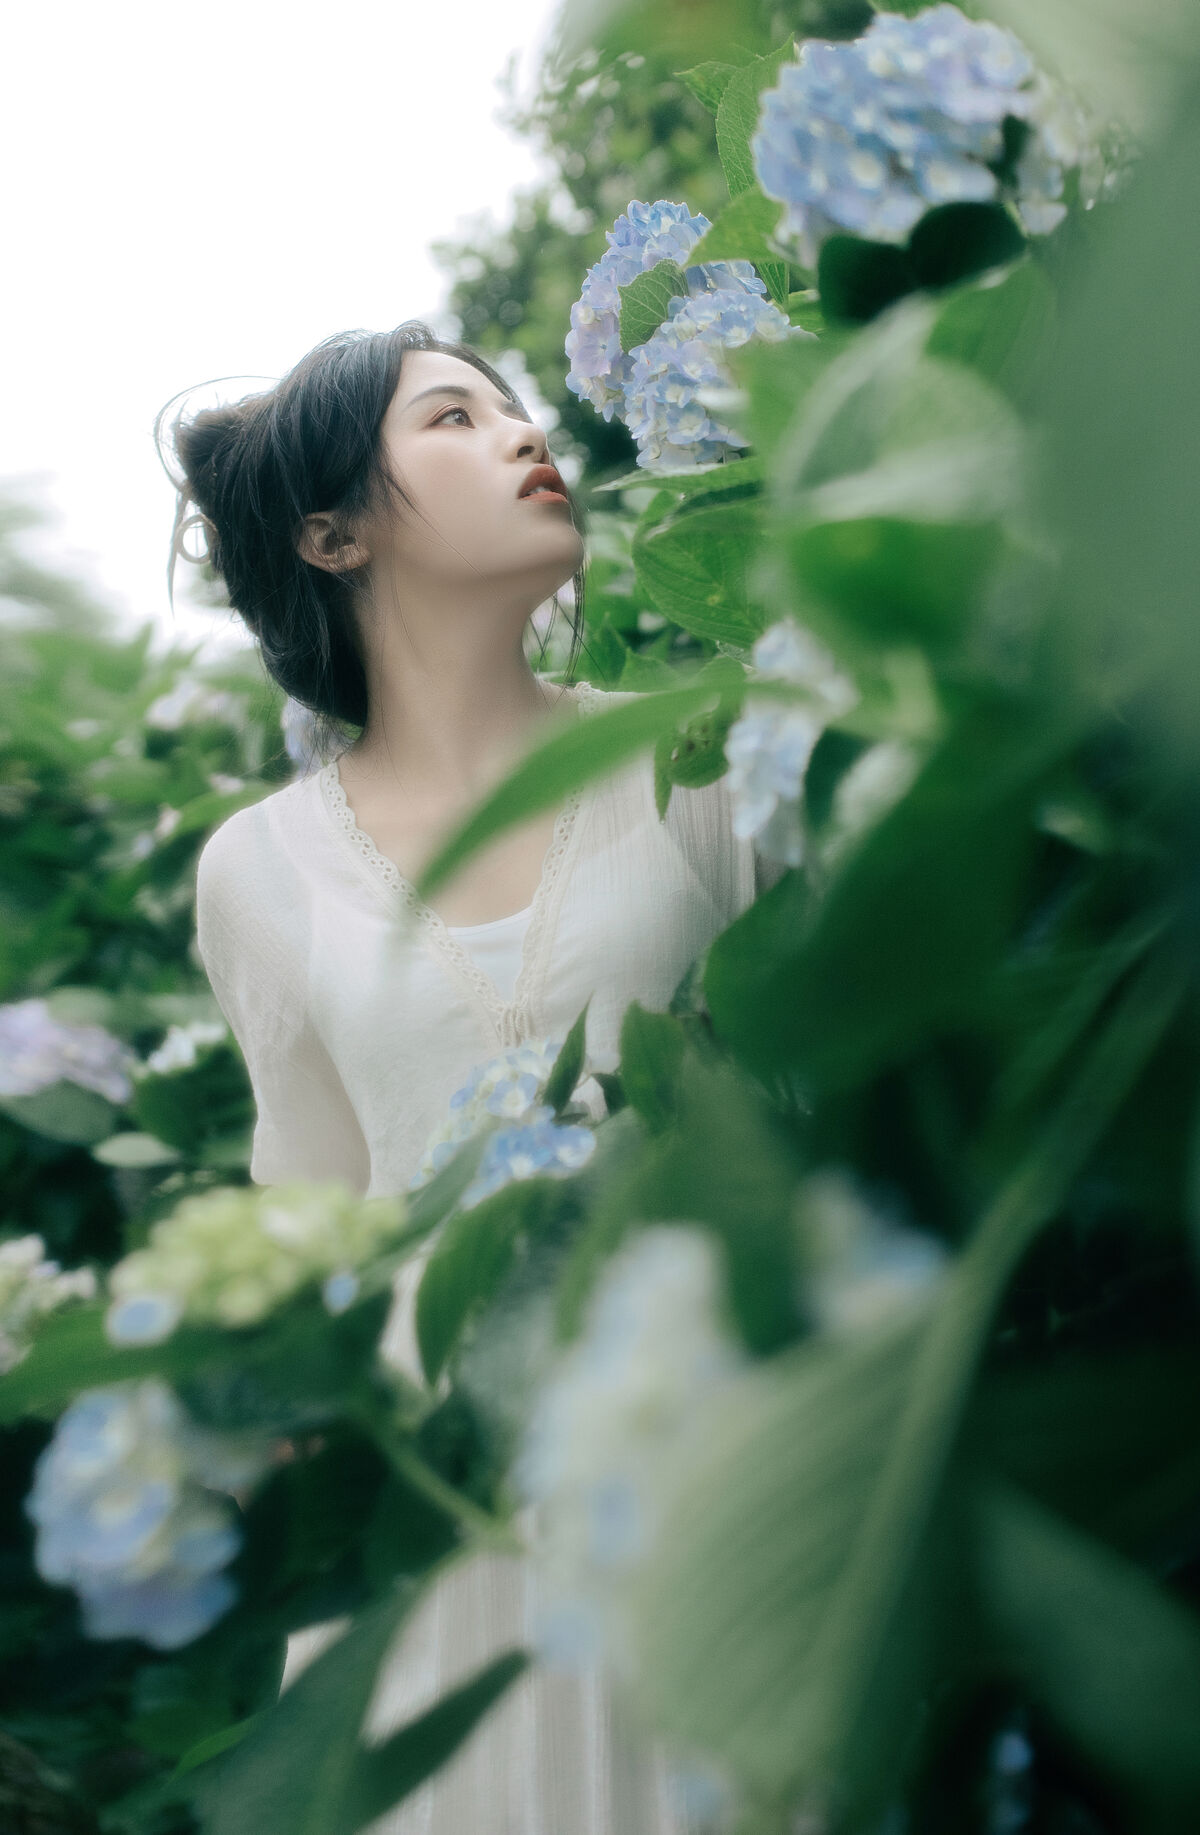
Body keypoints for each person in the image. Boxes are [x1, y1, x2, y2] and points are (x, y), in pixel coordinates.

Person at [163, 321, 761, 1834]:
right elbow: (310, 1217)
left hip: (706, 1444)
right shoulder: (257, 872)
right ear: (333, 536)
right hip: (440, 1511)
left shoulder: (697, 757)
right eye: (454, 417)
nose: (523, 433)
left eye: (517, 408)